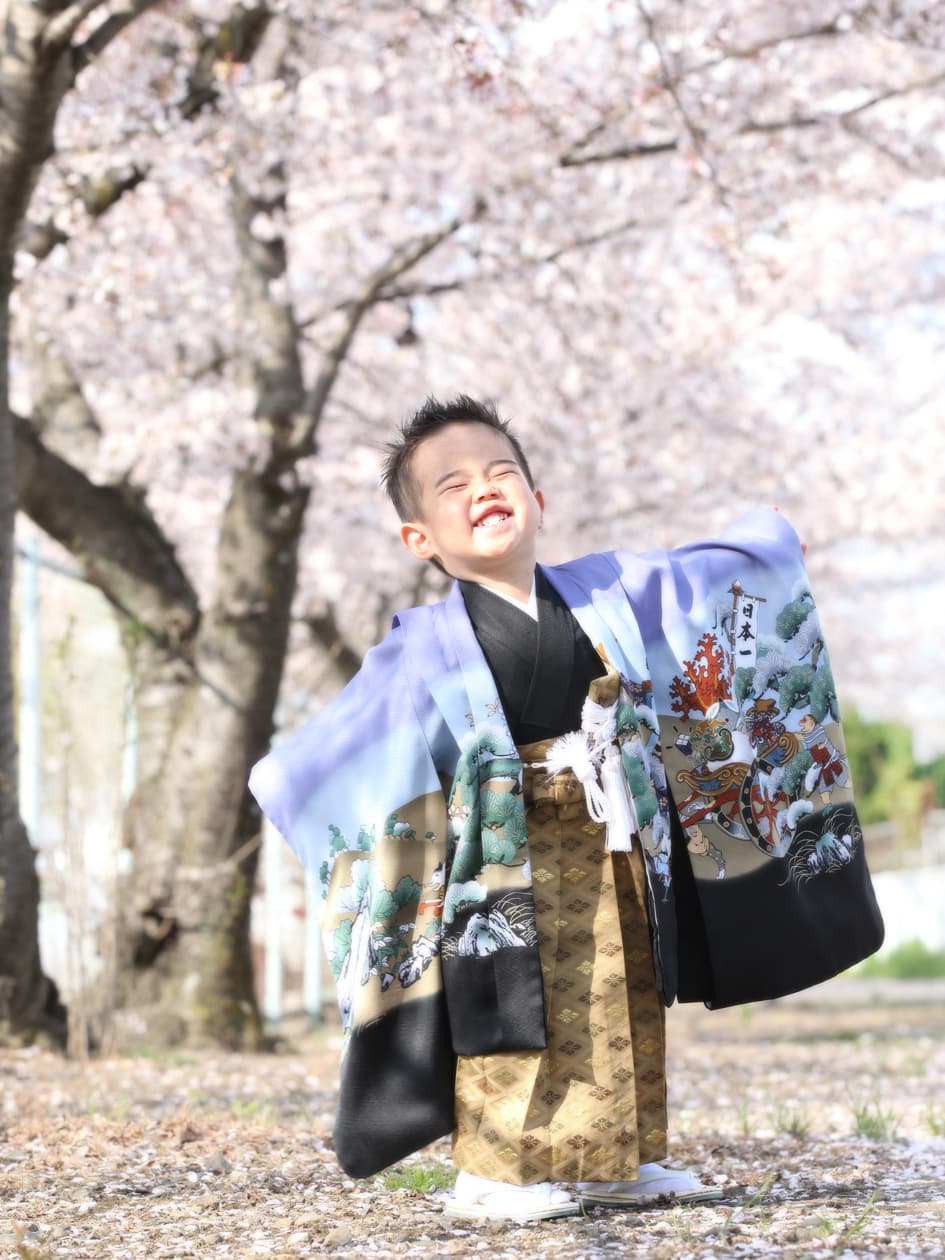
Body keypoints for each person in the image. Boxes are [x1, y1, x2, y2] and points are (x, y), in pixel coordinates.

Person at [249, 396, 883, 1223]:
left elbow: (701, 580)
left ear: (539, 501)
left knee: (624, 985)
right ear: (419, 540)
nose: (483, 490)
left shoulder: (609, 588)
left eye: (500, 471)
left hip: (615, 825)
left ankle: (616, 1156)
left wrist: (769, 547)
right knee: (507, 991)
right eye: (452, 486)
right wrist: (286, 779)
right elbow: (344, 749)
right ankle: (492, 1172)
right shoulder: (420, 646)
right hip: (499, 851)